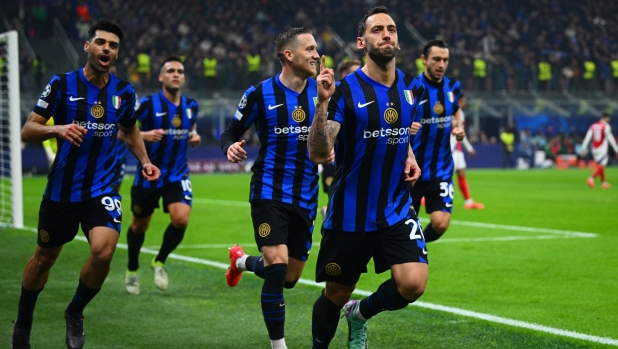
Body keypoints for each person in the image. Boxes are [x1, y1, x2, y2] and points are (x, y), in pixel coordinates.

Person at [11, 18, 160, 349]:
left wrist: (145, 161)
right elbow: (27, 130)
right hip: (62, 191)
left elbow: (129, 128)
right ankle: (23, 323)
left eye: (113, 45)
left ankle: (75, 312)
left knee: (103, 252)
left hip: (103, 188)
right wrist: (57, 129)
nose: (107, 48)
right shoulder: (61, 84)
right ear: (87, 46)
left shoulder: (124, 91)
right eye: (101, 42)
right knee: (44, 259)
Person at [308, 7, 429, 348]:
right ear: (362, 42)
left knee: (413, 284)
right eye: (377, 30)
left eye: (391, 28)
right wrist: (321, 104)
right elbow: (318, 152)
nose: (386, 34)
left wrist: (409, 154)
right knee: (335, 294)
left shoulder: (411, 88)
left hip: (395, 207)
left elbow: (398, 130)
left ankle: (359, 314)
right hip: (350, 214)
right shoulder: (344, 91)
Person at [219, 27, 326, 349]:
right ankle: (278, 346)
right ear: (288, 55)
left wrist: (330, 149)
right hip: (268, 190)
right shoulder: (259, 93)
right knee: (277, 268)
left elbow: (330, 142)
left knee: (290, 277)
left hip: (306, 195)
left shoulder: (322, 95)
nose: (316, 55)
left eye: (316, 49)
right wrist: (229, 148)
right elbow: (229, 132)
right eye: (309, 49)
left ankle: (239, 261)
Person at [123, 56, 201, 295]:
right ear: (161, 77)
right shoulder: (146, 105)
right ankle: (132, 269)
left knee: (181, 220)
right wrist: (144, 136)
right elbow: (122, 132)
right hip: (148, 175)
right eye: (170, 71)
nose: (175, 74)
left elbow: (191, 129)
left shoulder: (191, 106)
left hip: (177, 175)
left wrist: (194, 136)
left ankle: (159, 261)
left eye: (179, 71)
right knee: (139, 225)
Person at [409, 40, 465, 243]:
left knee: (440, 224)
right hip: (411, 170)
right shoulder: (412, 87)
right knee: (402, 223)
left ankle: (414, 245)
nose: (441, 64)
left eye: (445, 60)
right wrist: (406, 127)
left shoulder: (453, 86)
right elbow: (395, 117)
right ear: (424, 60)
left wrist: (458, 127)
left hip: (441, 169)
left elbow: (456, 109)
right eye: (436, 59)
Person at [319, 59, 362, 217]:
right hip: (333, 157)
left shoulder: (362, 96)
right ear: (344, 75)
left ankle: (328, 212)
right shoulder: (333, 94)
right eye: (356, 72)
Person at [450, 93, 484, 209]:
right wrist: (469, 148)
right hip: (452, 149)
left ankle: (468, 202)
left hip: (457, 149)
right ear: (461, 100)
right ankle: (424, 198)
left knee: (461, 173)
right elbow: (458, 133)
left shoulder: (453, 112)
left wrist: (468, 148)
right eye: (464, 99)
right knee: (444, 177)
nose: (465, 102)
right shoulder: (456, 112)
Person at [580, 112, 618, 189]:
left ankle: (603, 183)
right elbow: (610, 139)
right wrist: (616, 149)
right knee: (602, 165)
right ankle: (591, 178)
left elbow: (588, 137)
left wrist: (583, 148)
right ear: (606, 118)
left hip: (594, 148)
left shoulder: (593, 126)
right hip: (602, 148)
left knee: (600, 166)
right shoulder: (606, 126)